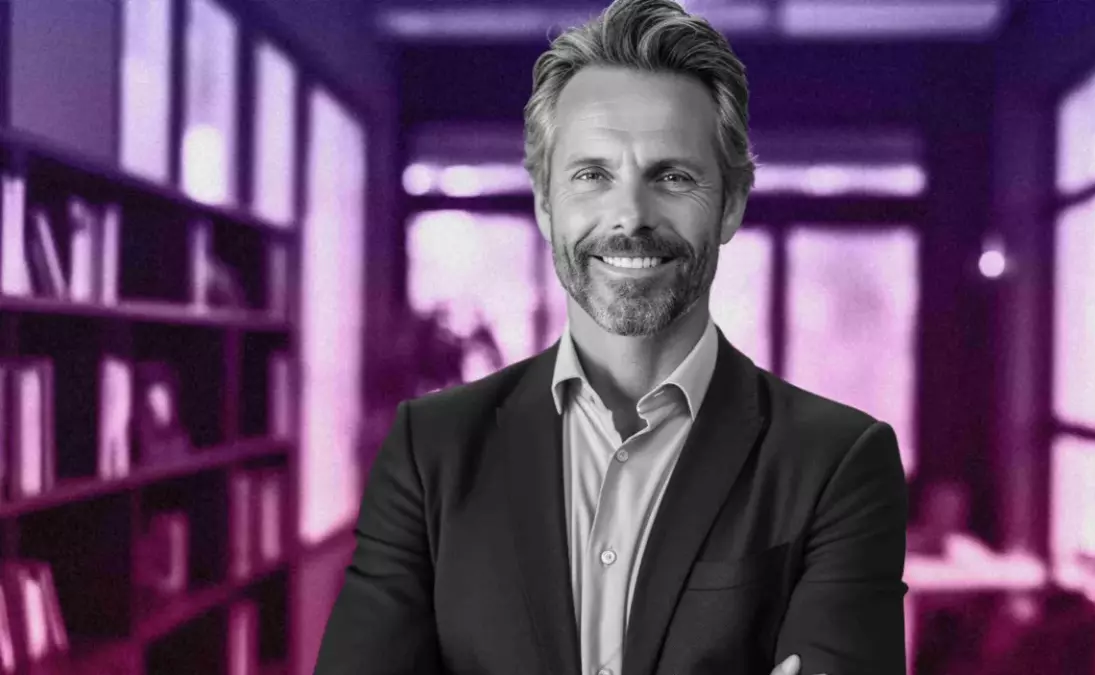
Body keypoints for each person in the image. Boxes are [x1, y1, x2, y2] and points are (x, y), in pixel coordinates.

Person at [313, 0, 908, 673]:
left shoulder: (838, 463)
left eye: (674, 176)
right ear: (544, 201)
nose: (630, 214)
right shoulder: (431, 453)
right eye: (592, 175)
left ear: (732, 202)